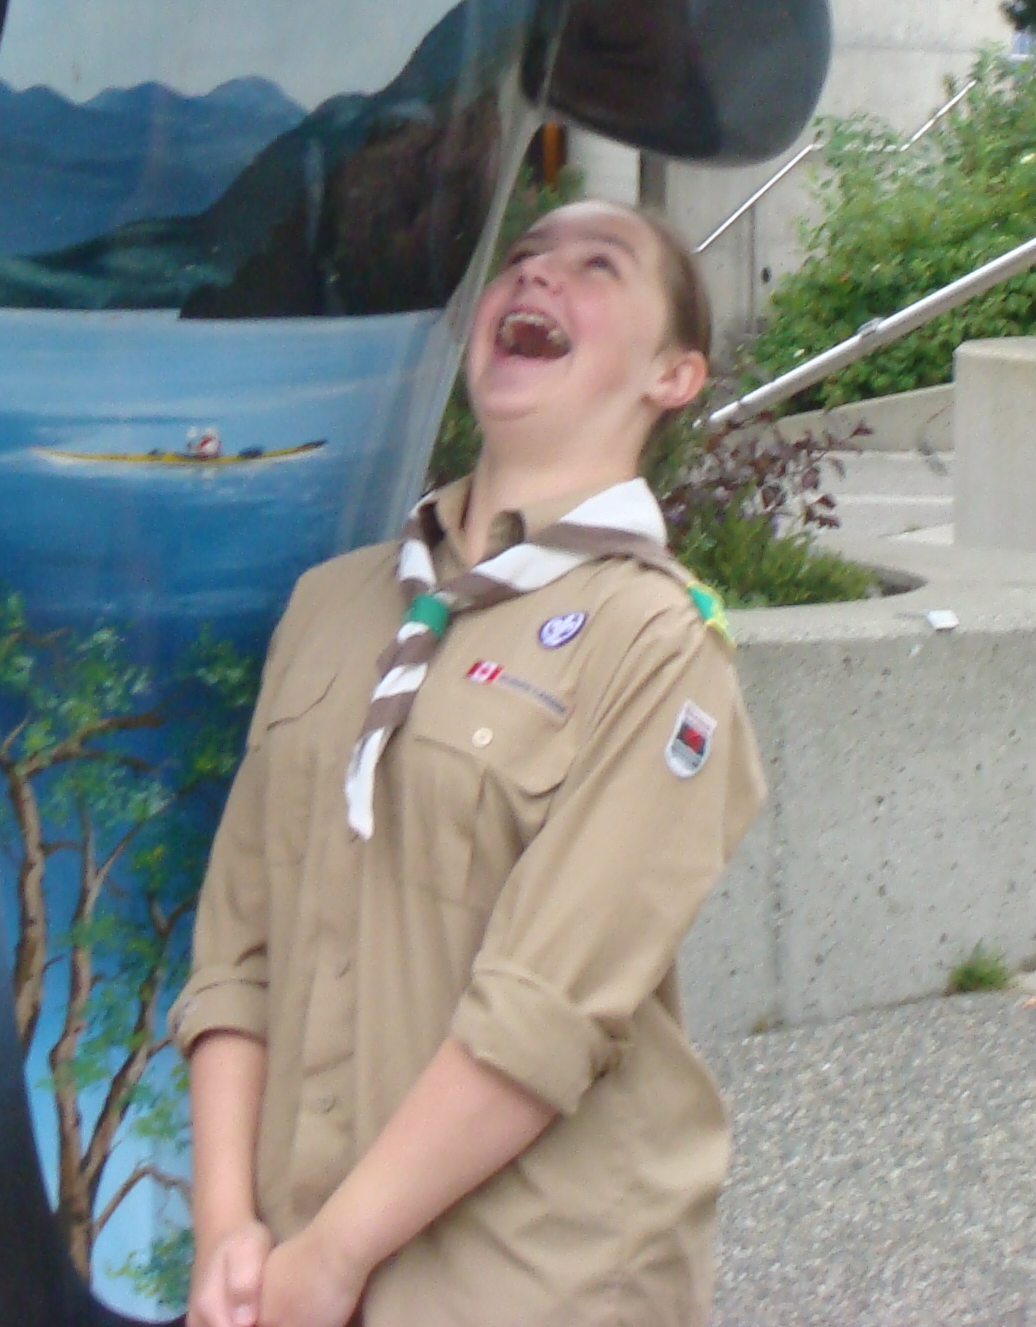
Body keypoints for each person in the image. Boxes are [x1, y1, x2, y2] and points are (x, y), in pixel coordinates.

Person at [174, 199, 766, 1327]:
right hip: (285, 1278)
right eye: (524, 256)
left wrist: (339, 1253)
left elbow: (545, 1009)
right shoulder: (334, 604)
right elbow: (235, 954)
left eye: (598, 267)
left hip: (532, 1284)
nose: (537, 276)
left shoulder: (657, 643)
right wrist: (226, 1234)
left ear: (674, 376)